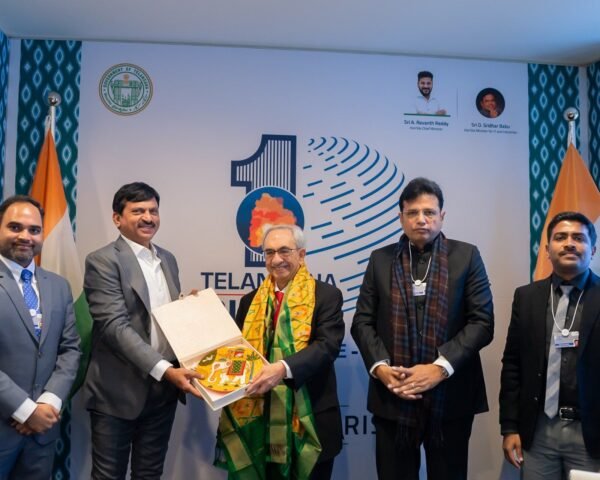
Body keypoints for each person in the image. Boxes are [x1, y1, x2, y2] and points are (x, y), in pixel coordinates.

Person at [351, 177, 494, 480]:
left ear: (442, 216)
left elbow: (482, 322)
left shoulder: (466, 256)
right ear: (400, 217)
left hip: (451, 397)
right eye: (413, 212)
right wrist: (381, 368)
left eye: (429, 212)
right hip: (394, 394)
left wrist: (439, 369)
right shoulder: (380, 260)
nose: (421, 219)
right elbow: (362, 321)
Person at [83, 182, 202, 480]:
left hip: (163, 391)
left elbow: (160, 315)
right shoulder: (102, 260)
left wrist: (189, 308)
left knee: (149, 474)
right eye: (138, 211)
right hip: (117, 391)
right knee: (108, 476)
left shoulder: (168, 259)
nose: (148, 217)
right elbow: (114, 326)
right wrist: (165, 370)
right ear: (117, 218)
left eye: (153, 211)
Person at [216, 224, 344, 480]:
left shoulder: (326, 295)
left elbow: (327, 346)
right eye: (269, 252)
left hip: (310, 421)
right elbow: (237, 355)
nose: (276, 260)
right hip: (259, 423)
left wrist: (283, 369)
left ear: (301, 254)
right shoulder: (249, 301)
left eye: (285, 251)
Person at [500, 211, 600, 478]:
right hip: (539, 433)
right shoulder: (526, 297)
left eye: (578, 238)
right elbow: (512, 365)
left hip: (591, 434)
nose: (569, 243)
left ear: (593, 249)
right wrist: (509, 427)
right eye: (561, 237)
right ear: (547, 250)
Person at [0, 195, 80, 479]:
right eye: (15, 227)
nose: (25, 236)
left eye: (34, 230)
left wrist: (49, 403)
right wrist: (25, 410)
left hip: (42, 434)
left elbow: (70, 350)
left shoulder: (59, 286)